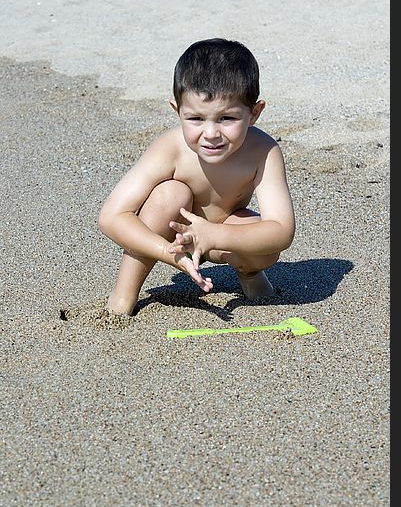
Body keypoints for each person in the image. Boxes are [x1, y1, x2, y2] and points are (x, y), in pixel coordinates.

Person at [98, 38, 295, 315]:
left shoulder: (263, 151)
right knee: (170, 194)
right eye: (195, 119)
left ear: (254, 113)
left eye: (227, 118)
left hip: (222, 231)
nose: (211, 133)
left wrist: (214, 234)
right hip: (171, 233)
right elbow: (112, 216)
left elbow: (282, 231)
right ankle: (123, 294)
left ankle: (250, 275)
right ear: (177, 110)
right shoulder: (170, 149)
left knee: (264, 243)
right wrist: (168, 251)